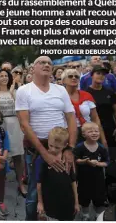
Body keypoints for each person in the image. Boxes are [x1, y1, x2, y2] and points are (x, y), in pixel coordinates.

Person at [15, 56, 77, 221]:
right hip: (38, 149)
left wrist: (70, 148)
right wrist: (45, 154)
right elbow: (24, 125)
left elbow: (71, 118)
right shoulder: (24, 90)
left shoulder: (60, 90)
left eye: (49, 63)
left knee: (64, 187)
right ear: (32, 68)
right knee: (35, 192)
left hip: (62, 148)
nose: (47, 64)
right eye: (42, 62)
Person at [0, 69, 27, 201]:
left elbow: (21, 107)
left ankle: (20, 183)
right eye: (1, 76)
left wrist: (12, 93)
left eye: (6, 76)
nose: (4, 78)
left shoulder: (15, 91)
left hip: (15, 124)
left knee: (18, 156)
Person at [36, 127, 80, 221]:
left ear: (65, 145)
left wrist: (76, 202)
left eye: (57, 147)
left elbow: (73, 181)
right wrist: (40, 203)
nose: (52, 149)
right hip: (50, 201)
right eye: (50, 145)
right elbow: (39, 183)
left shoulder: (68, 159)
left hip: (67, 201)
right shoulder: (42, 160)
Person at [61, 68, 107, 146]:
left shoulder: (87, 95)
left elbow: (95, 118)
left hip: (89, 132)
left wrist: (103, 139)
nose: (74, 78)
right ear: (63, 81)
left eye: (76, 76)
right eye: (70, 76)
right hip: (68, 133)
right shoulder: (59, 97)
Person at [86, 65, 116, 161]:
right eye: (98, 73)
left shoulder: (109, 92)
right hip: (93, 128)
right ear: (91, 75)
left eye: (103, 74)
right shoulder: (86, 92)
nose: (101, 76)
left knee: (112, 155)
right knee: (96, 156)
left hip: (110, 127)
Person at [74, 122, 109, 220]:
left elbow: (106, 162)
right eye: (90, 131)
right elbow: (76, 160)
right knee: (84, 198)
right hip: (83, 179)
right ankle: (85, 214)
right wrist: (85, 161)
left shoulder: (101, 148)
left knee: (99, 198)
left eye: (96, 131)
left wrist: (98, 164)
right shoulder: (80, 147)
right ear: (84, 134)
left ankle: (99, 215)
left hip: (98, 179)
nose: (94, 133)